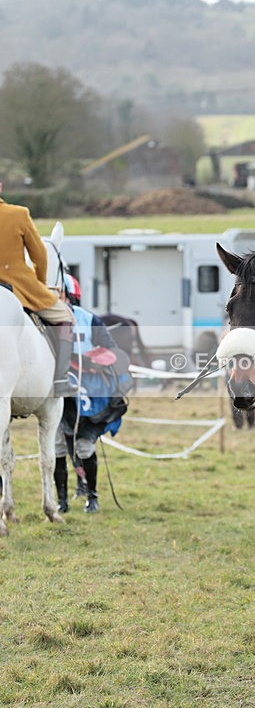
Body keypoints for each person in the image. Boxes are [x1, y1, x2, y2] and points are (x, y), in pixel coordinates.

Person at [54, 274, 132, 514]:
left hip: (89, 394)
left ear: (71, 295)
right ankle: (62, 502)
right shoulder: (44, 321)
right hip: (58, 392)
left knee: (85, 446)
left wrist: (90, 362)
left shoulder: (89, 320)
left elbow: (111, 351)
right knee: (57, 446)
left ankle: (92, 496)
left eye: (60, 294)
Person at [0, 182, 75, 395]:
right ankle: (61, 380)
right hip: (19, 287)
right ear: (1, 187)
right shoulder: (19, 214)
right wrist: (40, 283)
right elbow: (40, 255)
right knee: (65, 316)